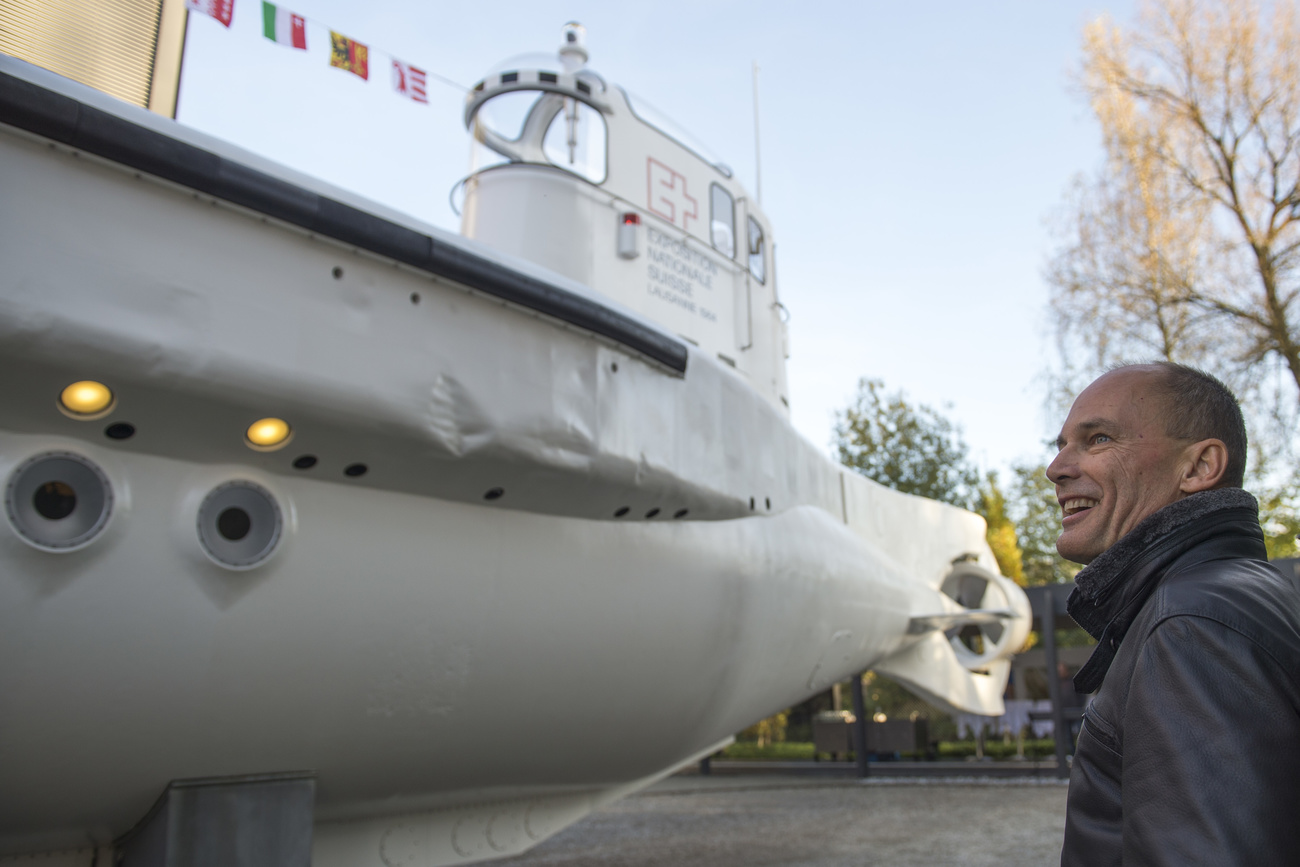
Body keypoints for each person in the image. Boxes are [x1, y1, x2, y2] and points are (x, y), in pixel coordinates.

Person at [1049, 363, 1300, 865]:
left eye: (1097, 439)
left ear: (1200, 467)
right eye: (1059, 445)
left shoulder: (1189, 623)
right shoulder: (1242, 593)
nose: (1056, 468)